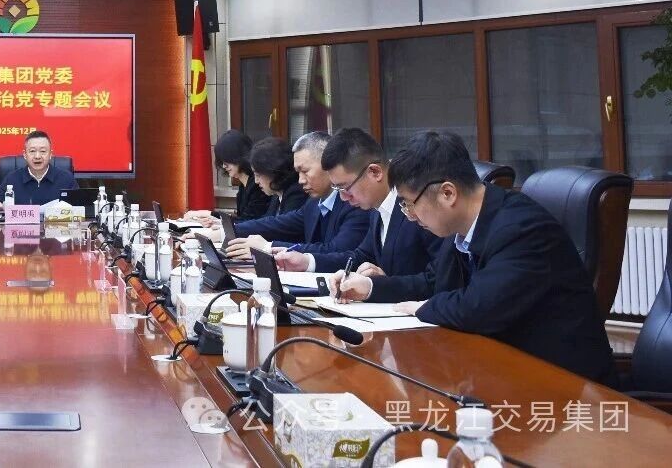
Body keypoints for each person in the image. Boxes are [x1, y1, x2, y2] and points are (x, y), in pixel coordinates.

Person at [332, 131, 614, 384]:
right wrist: (371, 287)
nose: (410, 216)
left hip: (564, 385)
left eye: (408, 204)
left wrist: (422, 307)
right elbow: (432, 281)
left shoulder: (521, 229)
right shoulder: (462, 226)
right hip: (501, 368)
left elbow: (477, 308)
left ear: (447, 193)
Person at [273, 127, 440, 276]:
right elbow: (361, 256)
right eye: (337, 189)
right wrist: (307, 262)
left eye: (345, 187)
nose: (343, 197)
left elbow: (434, 280)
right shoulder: (376, 208)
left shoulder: (418, 206)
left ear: (375, 172)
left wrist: (378, 286)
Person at [223, 131, 371, 260]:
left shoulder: (355, 201)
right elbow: (278, 223)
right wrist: (229, 229)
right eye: (298, 172)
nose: (300, 180)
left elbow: (337, 250)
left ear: (329, 165)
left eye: (305, 171)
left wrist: (268, 247)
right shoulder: (314, 202)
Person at [0, 130, 78, 208]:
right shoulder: (12, 179)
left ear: (50, 154)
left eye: (43, 151)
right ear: (25, 155)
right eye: (32, 151)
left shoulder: (67, 179)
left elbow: (79, 209)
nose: (37, 156)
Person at [248, 136, 307, 218]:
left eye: (258, 175)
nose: (256, 181)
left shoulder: (296, 193)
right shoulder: (277, 193)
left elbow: (282, 223)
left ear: (273, 171)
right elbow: (267, 220)